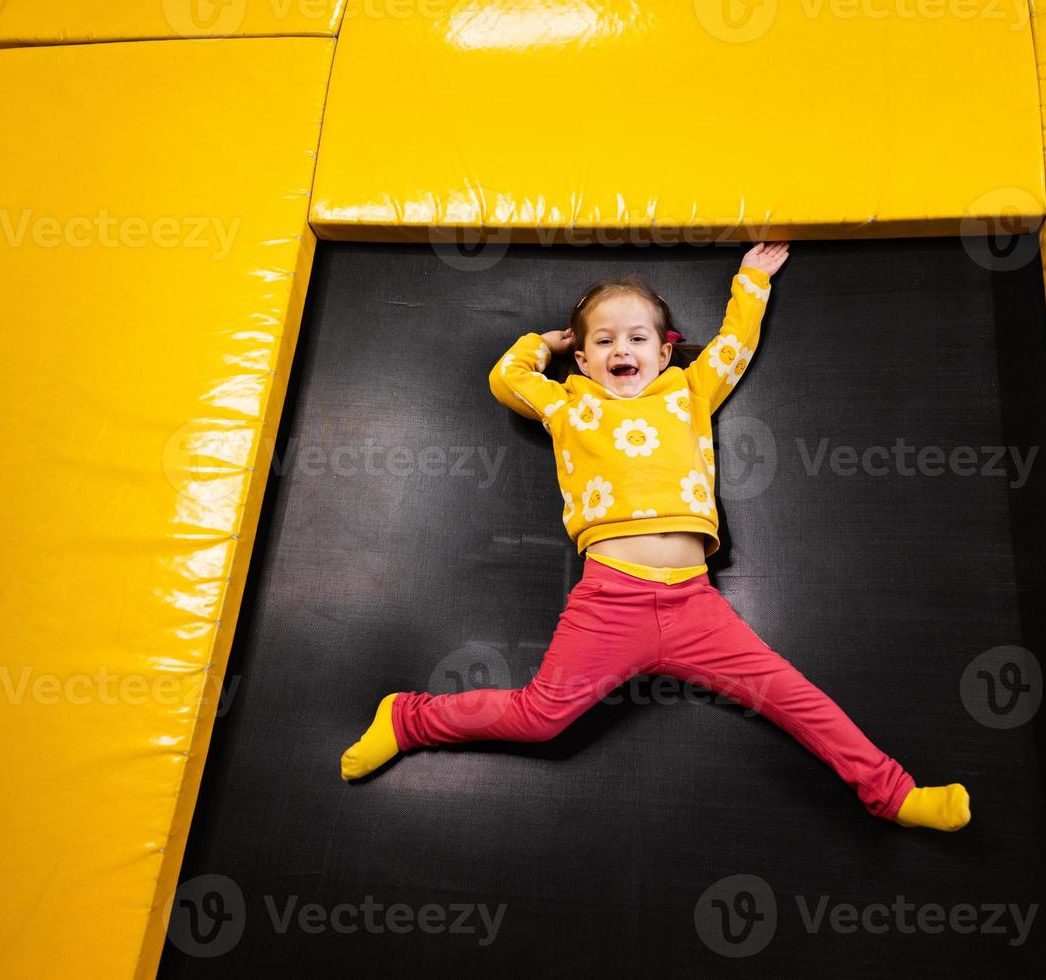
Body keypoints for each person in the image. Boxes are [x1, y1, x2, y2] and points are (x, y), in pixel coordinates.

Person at [339, 242, 970, 831]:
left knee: (790, 693)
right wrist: (544, 345)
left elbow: (733, 346)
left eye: (638, 338)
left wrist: (751, 281)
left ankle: (893, 794)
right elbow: (507, 380)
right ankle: (407, 718)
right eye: (604, 340)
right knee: (541, 718)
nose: (624, 350)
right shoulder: (570, 404)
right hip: (611, 601)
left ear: (663, 353)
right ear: (583, 359)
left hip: (696, 605)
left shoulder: (689, 393)